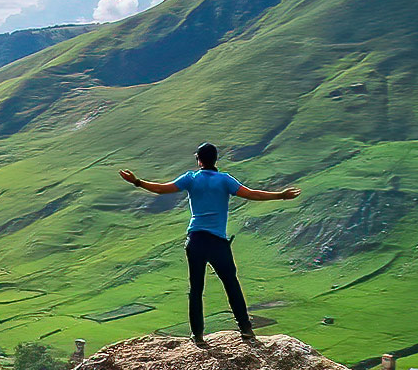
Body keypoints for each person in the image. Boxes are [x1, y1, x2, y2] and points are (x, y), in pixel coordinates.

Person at [119, 143, 298, 346]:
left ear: (199, 160)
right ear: (215, 160)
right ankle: (246, 330)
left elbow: (162, 189)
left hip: (195, 240)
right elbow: (252, 194)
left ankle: (197, 335)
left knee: (196, 288)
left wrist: (137, 182)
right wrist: (281, 195)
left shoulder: (191, 178)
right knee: (231, 284)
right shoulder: (225, 180)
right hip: (217, 242)